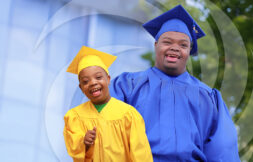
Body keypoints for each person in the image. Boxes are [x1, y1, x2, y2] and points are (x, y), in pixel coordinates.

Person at [109, 5, 240, 162]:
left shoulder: (208, 97)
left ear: (189, 51)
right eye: (167, 42)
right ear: (156, 45)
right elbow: (108, 132)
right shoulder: (127, 86)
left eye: (183, 45)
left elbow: (223, 149)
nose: (175, 48)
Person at [63, 46, 153, 162]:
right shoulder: (75, 116)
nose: (93, 83)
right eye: (85, 81)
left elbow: (141, 153)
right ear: (81, 88)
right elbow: (73, 148)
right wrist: (83, 142)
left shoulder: (128, 114)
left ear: (108, 79)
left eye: (98, 77)